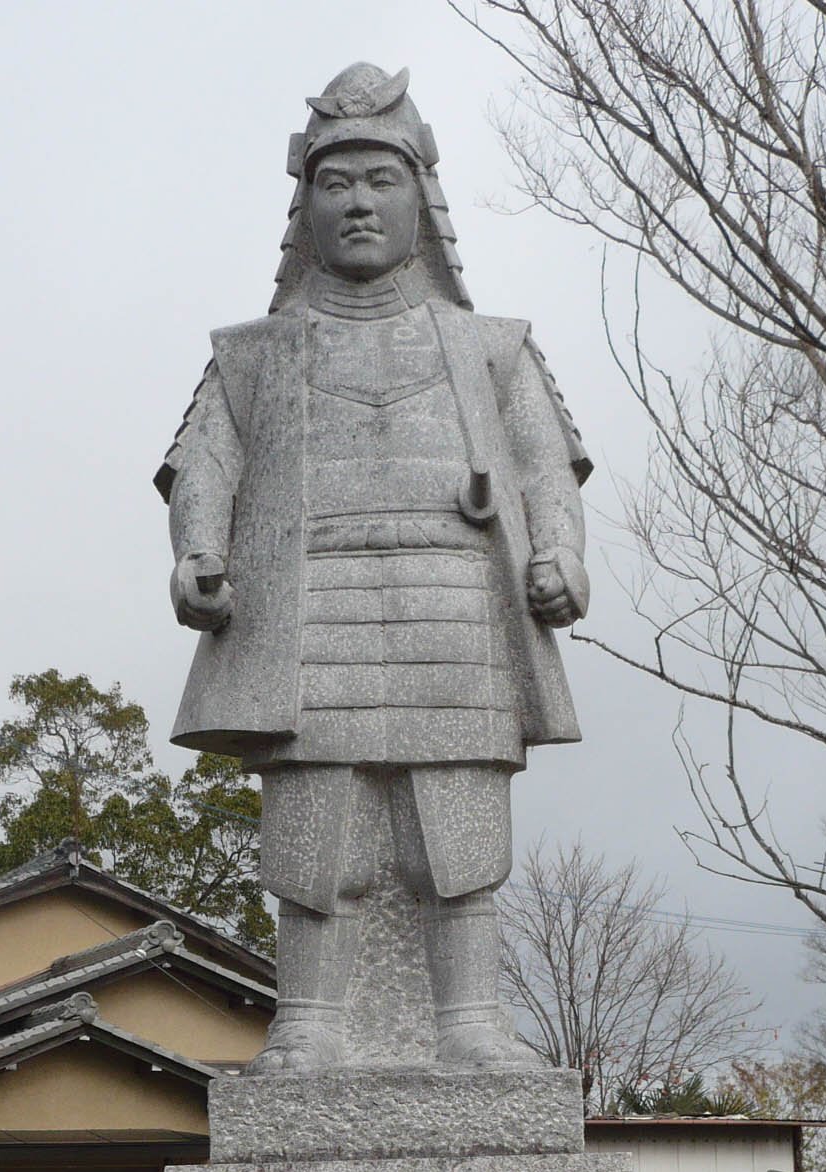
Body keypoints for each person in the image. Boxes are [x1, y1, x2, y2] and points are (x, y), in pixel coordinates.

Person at [156, 63, 590, 1071]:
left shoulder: (493, 346)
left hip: (455, 611)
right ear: (303, 204)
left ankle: (468, 1021)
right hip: (308, 612)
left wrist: (562, 553)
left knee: (459, 826)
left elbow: (544, 469)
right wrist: (198, 557)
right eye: (335, 181)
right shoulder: (250, 355)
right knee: (318, 830)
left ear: (419, 201)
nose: (356, 201)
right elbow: (201, 473)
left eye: (378, 180)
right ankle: (309, 1020)